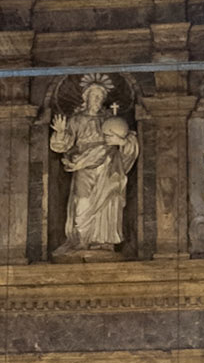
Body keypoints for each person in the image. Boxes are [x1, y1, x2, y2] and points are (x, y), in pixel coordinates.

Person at [50, 78, 138, 250]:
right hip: (83, 165)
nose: (97, 100)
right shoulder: (76, 120)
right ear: (86, 98)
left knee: (108, 201)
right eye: (94, 96)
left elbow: (129, 141)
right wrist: (60, 133)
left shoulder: (109, 119)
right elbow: (63, 145)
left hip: (108, 165)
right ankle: (82, 239)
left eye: (100, 97)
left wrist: (121, 141)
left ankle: (103, 240)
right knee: (82, 201)